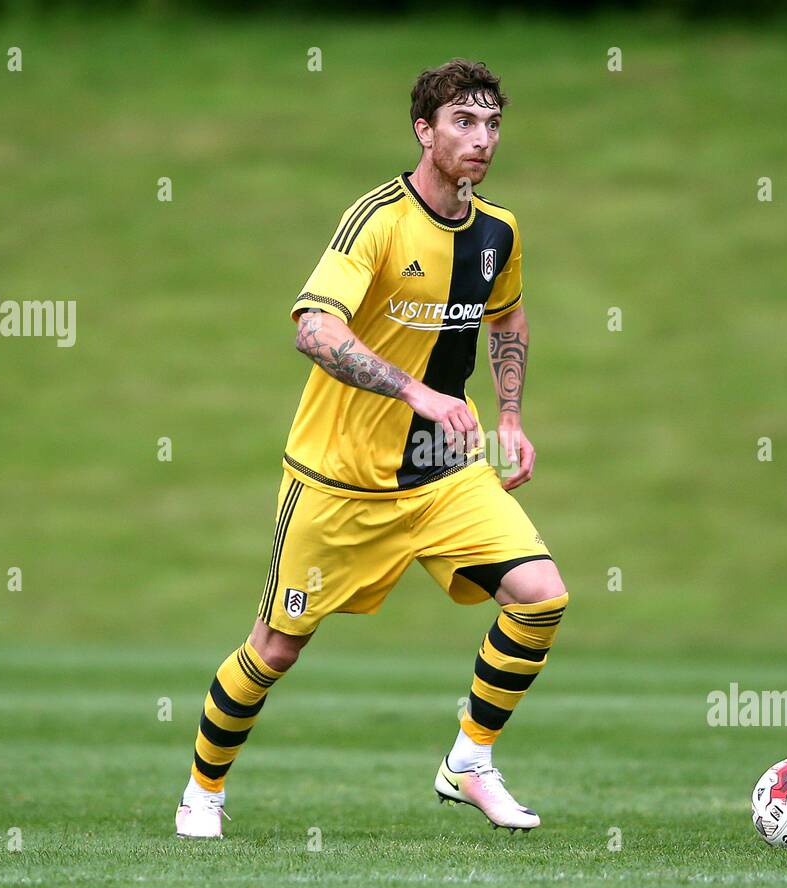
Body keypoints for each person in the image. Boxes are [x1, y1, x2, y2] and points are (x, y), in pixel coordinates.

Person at [176, 58, 568, 838]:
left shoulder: (499, 231)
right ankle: (202, 792)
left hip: (442, 475)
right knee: (275, 650)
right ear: (424, 131)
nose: (481, 138)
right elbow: (314, 330)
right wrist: (416, 392)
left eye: (492, 123)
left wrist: (512, 418)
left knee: (541, 596)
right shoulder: (377, 220)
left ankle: (469, 762)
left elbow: (509, 319)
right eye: (463, 121)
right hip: (341, 482)